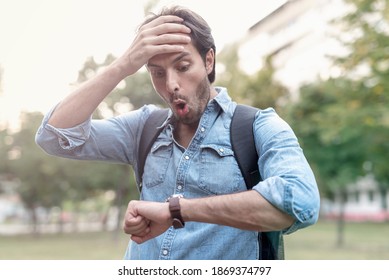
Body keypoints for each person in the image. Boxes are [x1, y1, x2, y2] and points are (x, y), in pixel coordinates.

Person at [35, 6, 320, 260]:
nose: (171, 84)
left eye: (183, 67)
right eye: (157, 73)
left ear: (208, 61)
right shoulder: (142, 128)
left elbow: (301, 202)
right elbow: (54, 136)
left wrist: (176, 210)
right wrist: (124, 64)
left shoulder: (258, 126)